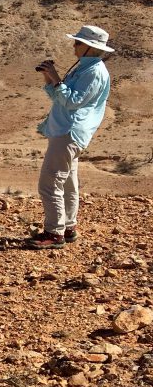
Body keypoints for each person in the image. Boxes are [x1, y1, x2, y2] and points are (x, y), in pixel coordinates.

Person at [30, 25, 113, 249]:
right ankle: (67, 228)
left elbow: (72, 101)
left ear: (90, 48)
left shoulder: (94, 71)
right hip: (65, 131)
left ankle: (54, 233)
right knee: (67, 183)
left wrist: (56, 78)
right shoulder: (84, 68)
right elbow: (59, 96)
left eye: (78, 43)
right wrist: (50, 78)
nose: (74, 46)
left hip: (69, 132)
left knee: (50, 183)